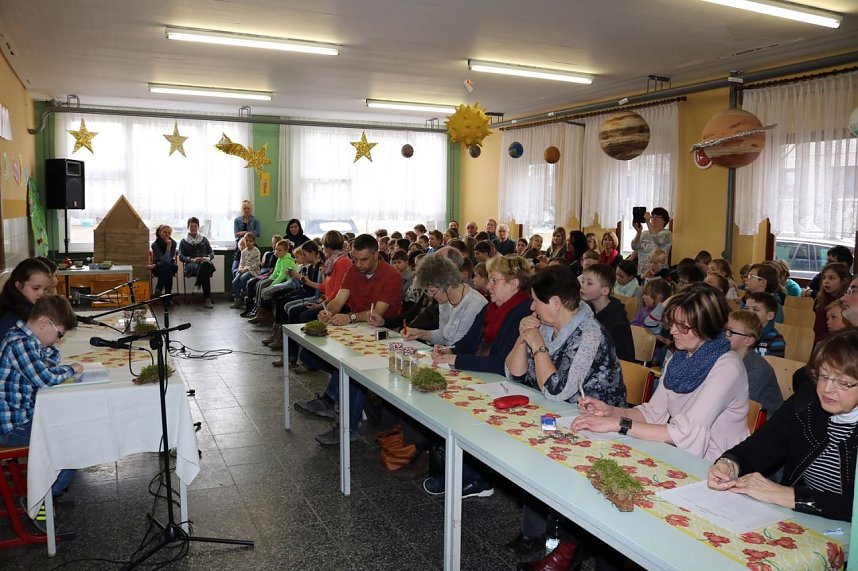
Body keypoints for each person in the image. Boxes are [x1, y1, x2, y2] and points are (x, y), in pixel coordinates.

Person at [573, 284, 749, 461]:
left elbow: (684, 432)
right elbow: (652, 413)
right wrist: (610, 411)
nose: (672, 331)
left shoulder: (727, 368)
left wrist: (617, 424)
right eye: (672, 323)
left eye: (683, 326)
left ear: (707, 326)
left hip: (719, 464)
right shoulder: (680, 356)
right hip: (683, 454)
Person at [708, 328, 858, 522]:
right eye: (824, 376)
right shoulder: (807, 402)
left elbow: (851, 506)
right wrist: (729, 463)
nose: (827, 389)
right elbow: (761, 446)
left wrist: (787, 495)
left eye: (843, 383)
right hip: (800, 518)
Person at [295, 234, 401, 445]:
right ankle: (330, 399)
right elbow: (339, 300)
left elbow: (376, 313)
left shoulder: (392, 275)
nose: (358, 264)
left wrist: (350, 316)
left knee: (352, 369)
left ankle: (347, 426)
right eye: (355, 259)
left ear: (376, 255)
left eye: (364, 260)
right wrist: (327, 311)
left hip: (386, 334)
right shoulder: (353, 270)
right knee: (310, 353)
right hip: (359, 331)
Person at [0, 295, 82, 526]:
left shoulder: (29, 340)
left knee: (73, 428)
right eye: (60, 334)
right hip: (12, 427)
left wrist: (54, 355)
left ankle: (47, 492)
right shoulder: (20, 344)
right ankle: (41, 499)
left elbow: (50, 361)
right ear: (45, 323)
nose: (58, 340)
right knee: (72, 445)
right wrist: (71, 369)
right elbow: (46, 378)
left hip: (23, 417)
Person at [431, 255, 531, 375]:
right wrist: (448, 351)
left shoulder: (524, 313)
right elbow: (468, 342)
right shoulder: (490, 308)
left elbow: (502, 363)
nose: (488, 286)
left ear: (514, 283)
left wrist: (456, 359)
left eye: (494, 280)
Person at [403, 254, 487, 350]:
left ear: (448, 284)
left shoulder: (473, 305)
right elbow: (444, 335)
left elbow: (458, 346)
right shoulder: (446, 300)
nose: (430, 296)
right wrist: (419, 333)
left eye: (432, 291)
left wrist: (443, 350)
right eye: (427, 291)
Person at [725, 310, 784, 417]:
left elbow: (744, 407)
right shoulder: (726, 357)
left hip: (763, 420)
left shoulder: (758, 369)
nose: (725, 335)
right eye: (725, 330)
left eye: (730, 332)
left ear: (748, 341)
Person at [579, 264, 634, 361]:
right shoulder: (587, 310)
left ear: (604, 290)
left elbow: (623, 359)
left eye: (589, 283)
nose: (582, 286)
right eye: (583, 281)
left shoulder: (617, 321)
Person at [0, 259, 53, 339]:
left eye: (45, 289)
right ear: (18, 286)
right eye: (36, 288)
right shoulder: (12, 317)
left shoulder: (30, 306)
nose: (41, 293)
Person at [178, 217, 215, 308]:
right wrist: (192, 259)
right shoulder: (183, 241)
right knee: (205, 270)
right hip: (191, 265)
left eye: (195, 226)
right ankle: (207, 299)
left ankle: (197, 285)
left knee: (204, 264)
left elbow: (211, 253)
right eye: (191, 226)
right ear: (188, 227)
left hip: (205, 262)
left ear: (198, 227)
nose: (193, 228)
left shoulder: (204, 239)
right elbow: (181, 257)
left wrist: (206, 258)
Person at [812, 262, 851, 342]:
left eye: (831, 278)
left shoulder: (846, 303)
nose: (826, 281)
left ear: (844, 281)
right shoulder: (820, 300)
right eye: (824, 278)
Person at [630, 207, 672, 275]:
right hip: (642, 273)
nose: (653, 219)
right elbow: (634, 247)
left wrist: (648, 222)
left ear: (664, 220)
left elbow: (658, 240)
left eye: (657, 216)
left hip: (659, 273)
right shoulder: (644, 233)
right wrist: (638, 232)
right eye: (652, 216)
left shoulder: (666, 233)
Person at [745, 292, 785, 358]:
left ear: (770, 316)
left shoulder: (776, 339)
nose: (749, 312)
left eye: (755, 309)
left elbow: (775, 365)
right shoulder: (740, 332)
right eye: (746, 308)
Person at [148, 225, 178, 298]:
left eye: (169, 233)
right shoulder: (155, 245)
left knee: (167, 266)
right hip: (159, 269)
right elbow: (164, 260)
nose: (167, 234)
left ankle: (159, 287)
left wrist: (156, 264)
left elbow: (168, 259)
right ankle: (168, 299)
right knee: (167, 270)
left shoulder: (173, 243)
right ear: (159, 232)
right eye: (165, 232)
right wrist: (168, 247)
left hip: (169, 265)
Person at [233, 199, 261, 275]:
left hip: (251, 246)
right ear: (242, 209)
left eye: (248, 208)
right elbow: (236, 233)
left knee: (248, 271)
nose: (246, 210)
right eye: (244, 208)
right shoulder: (237, 220)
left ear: (250, 209)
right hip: (240, 247)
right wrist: (246, 233)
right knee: (235, 270)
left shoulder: (255, 220)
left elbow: (258, 233)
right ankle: (237, 286)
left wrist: (244, 233)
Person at [231, 233, 261, 302]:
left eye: (250, 241)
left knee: (243, 277)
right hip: (244, 269)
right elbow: (242, 262)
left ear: (254, 242)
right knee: (234, 282)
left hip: (253, 271)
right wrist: (240, 268)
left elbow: (256, 264)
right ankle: (237, 299)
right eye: (246, 241)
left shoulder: (256, 251)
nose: (248, 242)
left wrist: (247, 269)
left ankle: (243, 292)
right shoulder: (243, 251)